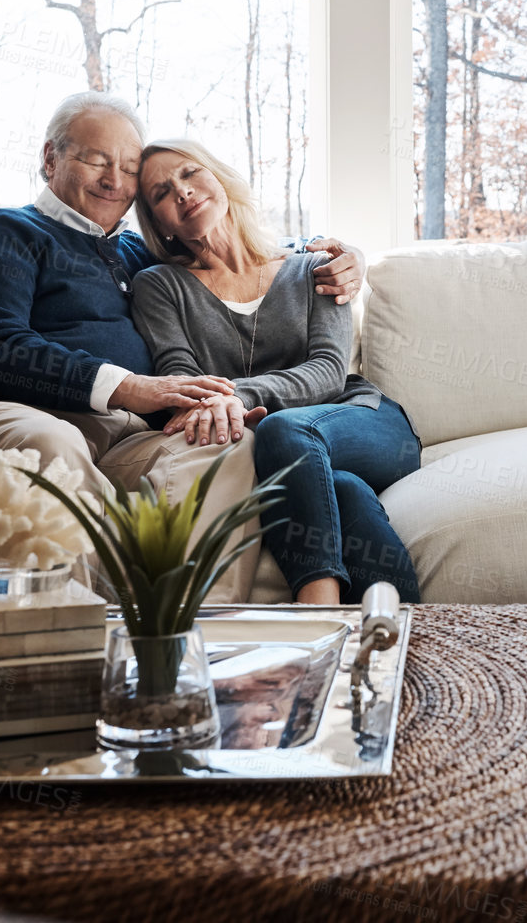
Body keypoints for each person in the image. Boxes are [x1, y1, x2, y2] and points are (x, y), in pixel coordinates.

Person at [0, 92, 366, 533]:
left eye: (130, 169)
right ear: (50, 158)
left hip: (126, 436)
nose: (113, 180)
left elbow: (239, 255)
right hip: (12, 417)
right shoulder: (2, 233)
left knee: (224, 450)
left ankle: (190, 605)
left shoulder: (136, 254)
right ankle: (92, 602)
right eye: (96, 160)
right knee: (52, 444)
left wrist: (337, 252)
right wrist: (129, 387)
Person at [128, 138, 422, 605]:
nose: (181, 193)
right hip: (284, 451)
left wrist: (240, 397)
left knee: (284, 430)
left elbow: (327, 371)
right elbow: (182, 376)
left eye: (189, 174)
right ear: (157, 223)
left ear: (219, 179)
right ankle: (409, 638)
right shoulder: (159, 287)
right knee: (342, 491)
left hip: (361, 422)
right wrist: (223, 403)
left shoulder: (315, 268)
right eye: (161, 193)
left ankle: (315, 613)